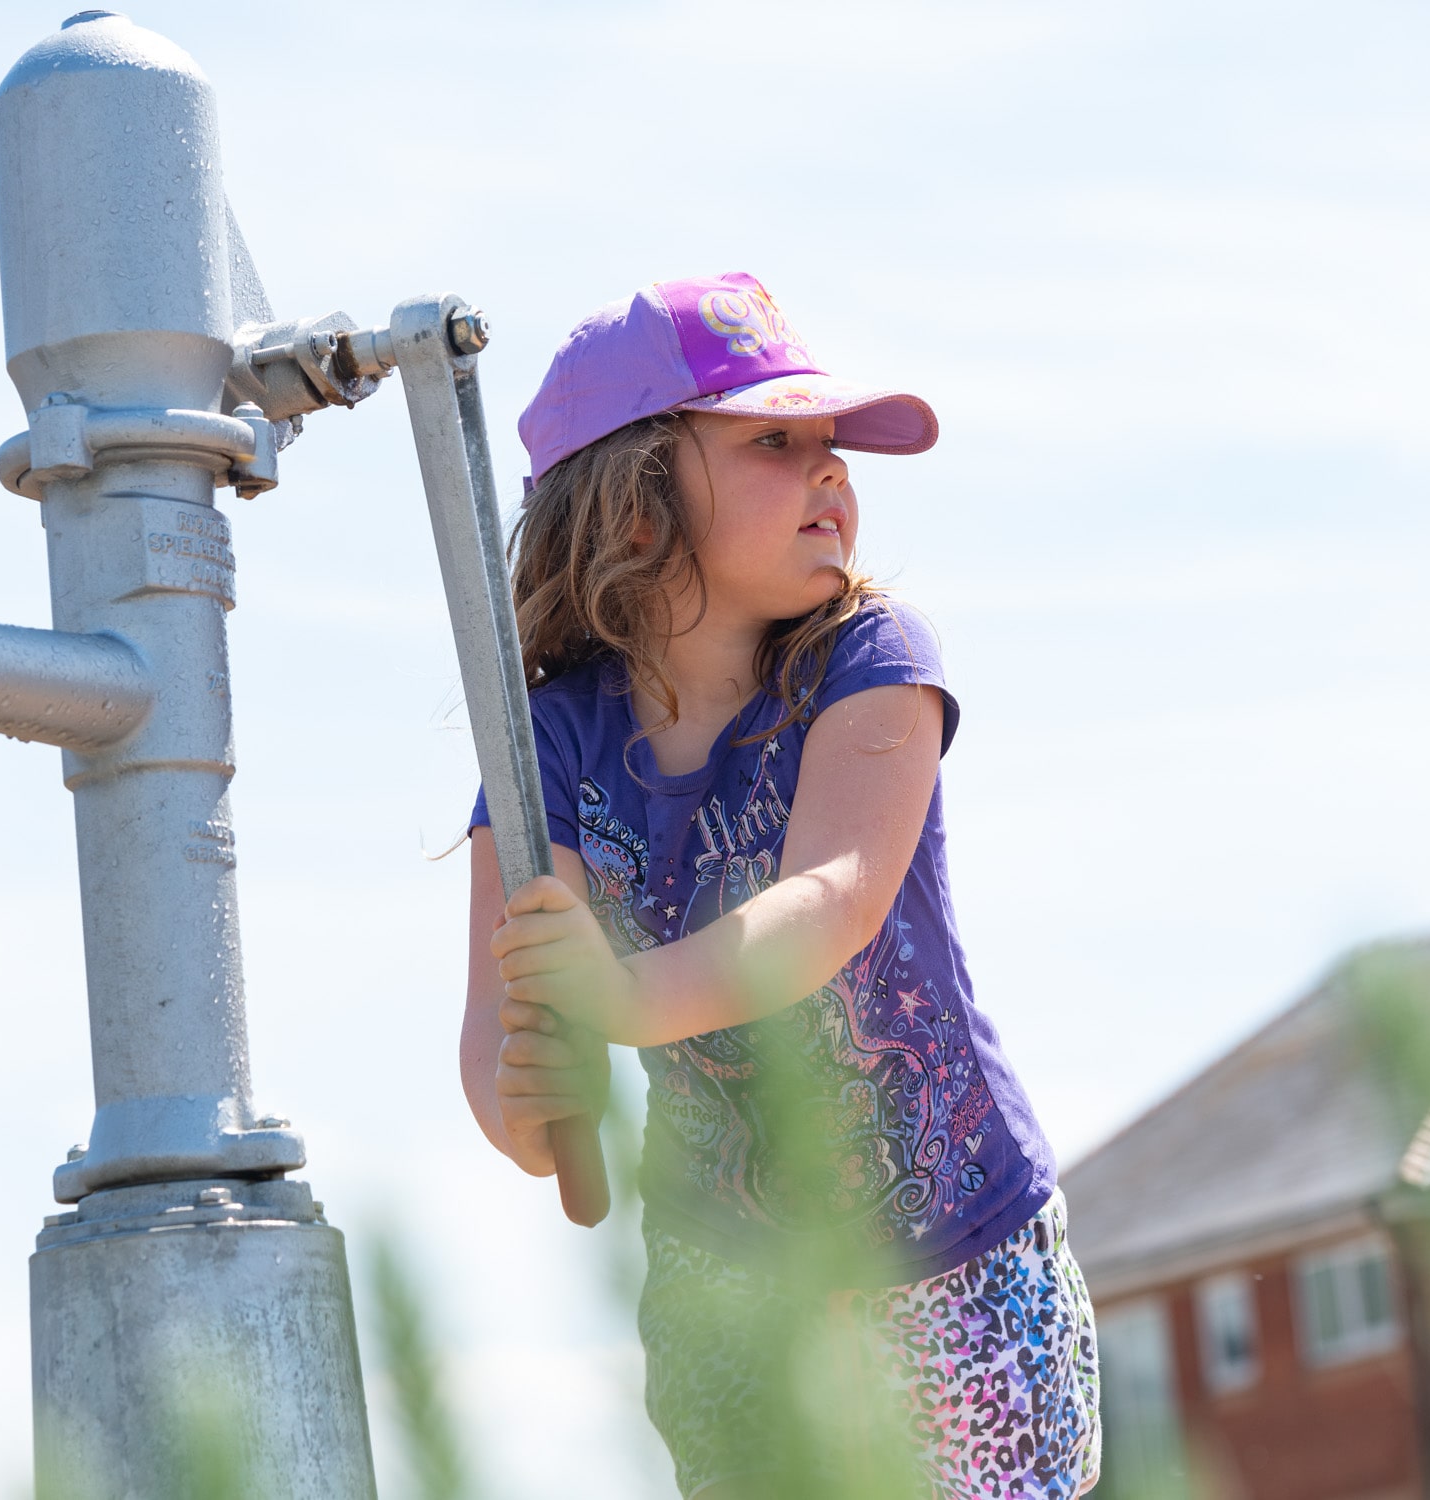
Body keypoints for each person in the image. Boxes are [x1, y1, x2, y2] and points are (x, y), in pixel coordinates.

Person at [460, 273, 1100, 1499]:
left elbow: (834, 898)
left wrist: (619, 1003)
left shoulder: (872, 662)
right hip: (730, 1284)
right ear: (635, 504)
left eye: (833, 449)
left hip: (955, 1257)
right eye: (775, 441)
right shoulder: (542, 746)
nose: (832, 477)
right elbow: (504, 1036)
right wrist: (530, 1098)